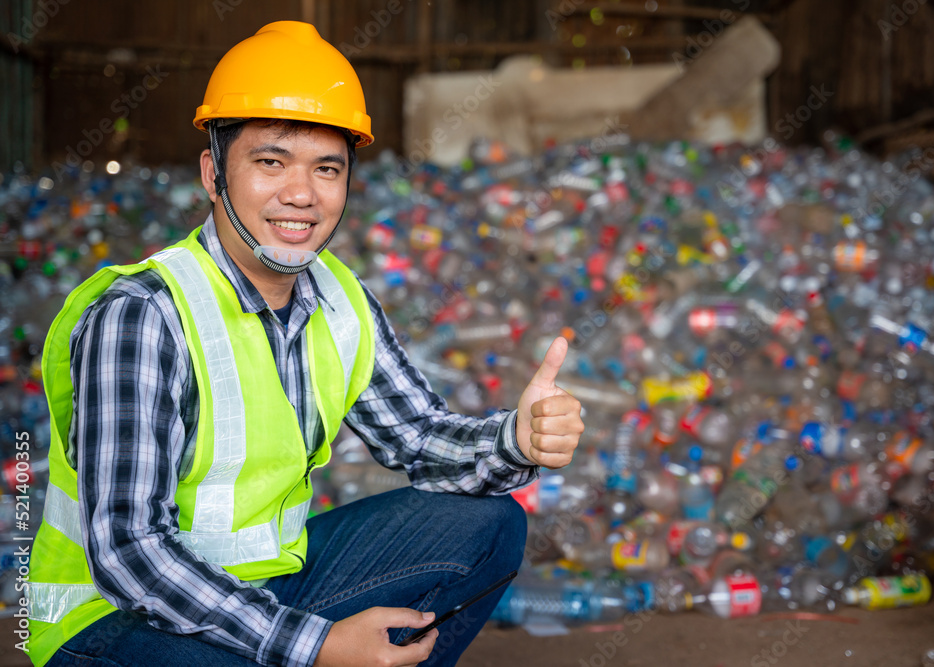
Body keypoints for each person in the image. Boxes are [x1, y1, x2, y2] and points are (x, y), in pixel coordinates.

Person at [27, 21, 584, 667]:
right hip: (111, 621)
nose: (301, 193)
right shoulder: (143, 315)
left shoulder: (340, 300)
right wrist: (313, 642)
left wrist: (517, 438)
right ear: (214, 174)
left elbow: (420, 437)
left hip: (266, 585)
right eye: (270, 161)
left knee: (490, 525)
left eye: (327, 168)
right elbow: (129, 551)